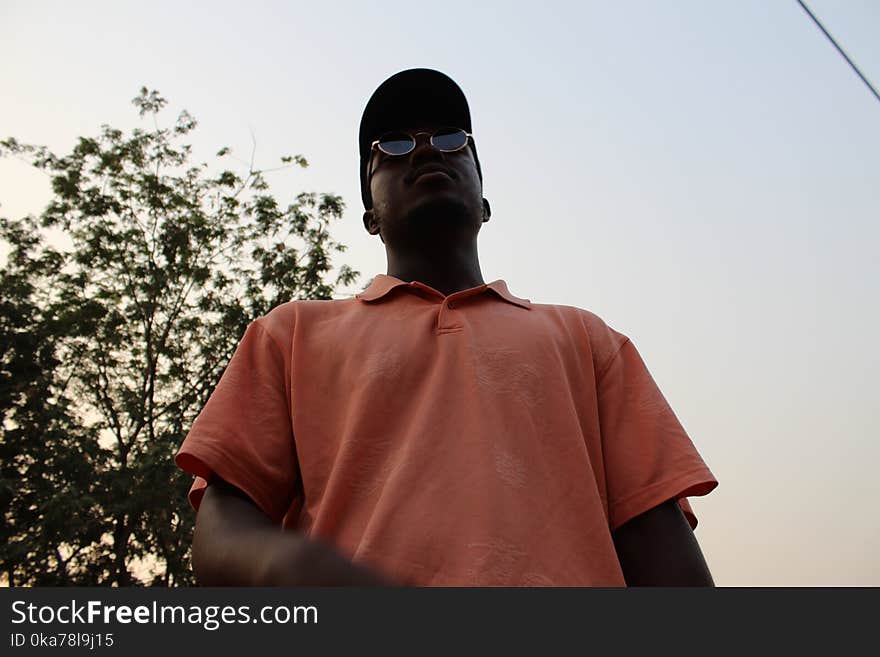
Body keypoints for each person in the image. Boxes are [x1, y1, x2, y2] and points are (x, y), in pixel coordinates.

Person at [175, 68, 718, 586]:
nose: (428, 147)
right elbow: (223, 528)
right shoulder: (289, 336)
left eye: (452, 137)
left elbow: (663, 554)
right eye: (393, 145)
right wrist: (285, 566)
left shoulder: (589, 341)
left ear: (483, 202)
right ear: (370, 216)